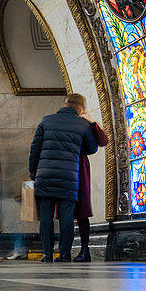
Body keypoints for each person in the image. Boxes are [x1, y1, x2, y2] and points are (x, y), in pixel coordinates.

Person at [29, 93, 100, 263]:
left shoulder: (46, 120)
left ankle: (47, 254)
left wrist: (33, 172)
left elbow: (35, 149)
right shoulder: (82, 124)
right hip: (69, 176)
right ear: (80, 108)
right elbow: (92, 148)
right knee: (66, 215)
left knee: (46, 216)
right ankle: (65, 254)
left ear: (64, 105)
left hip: (45, 175)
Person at [74, 114, 109, 262]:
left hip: (78, 169)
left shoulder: (83, 124)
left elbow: (102, 141)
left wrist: (93, 123)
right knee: (69, 212)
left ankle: (83, 250)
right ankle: (72, 250)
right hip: (70, 168)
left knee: (81, 212)